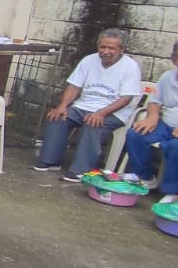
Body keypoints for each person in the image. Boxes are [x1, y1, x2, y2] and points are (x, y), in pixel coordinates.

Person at [33, 28, 141, 182]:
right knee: (57, 117)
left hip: (114, 112)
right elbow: (74, 86)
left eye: (111, 48)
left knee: (93, 124)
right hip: (84, 106)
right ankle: (50, 161)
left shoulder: (130, 67)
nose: (106, 51)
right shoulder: (89, 60)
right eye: (102, 47)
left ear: (122, 49)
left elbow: (126, 98)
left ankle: (81, 170)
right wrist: (62, 105)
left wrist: (101, 113)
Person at [125, 40, 178, 203]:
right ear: (173, 59)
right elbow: (155, 101)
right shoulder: (167, 77)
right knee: (135, 134)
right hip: (166, 124)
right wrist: (152, 117)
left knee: (177, 146)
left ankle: (172, 191)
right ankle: (145, 177)